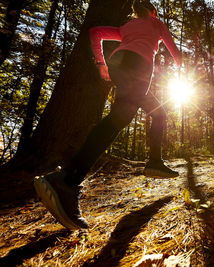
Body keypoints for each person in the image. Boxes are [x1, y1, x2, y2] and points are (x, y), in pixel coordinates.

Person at [33, 0, 182, 230]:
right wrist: (180, 70)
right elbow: (175, 50)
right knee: (117, 121)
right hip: (140, 67)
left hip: (120, 65)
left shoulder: (127, 27)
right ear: (152, 11)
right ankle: (67, 181)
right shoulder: (156, 23)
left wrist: (101, 64)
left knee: (157, 112)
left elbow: (96, 32)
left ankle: (154, 161)